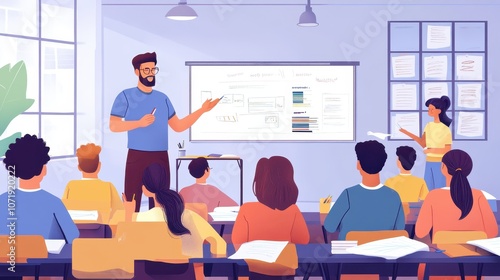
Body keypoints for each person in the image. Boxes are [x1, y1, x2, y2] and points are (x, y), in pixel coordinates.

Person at [110, 52, 220, 212]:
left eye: (153, 69)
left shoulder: (163, 98)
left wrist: (202, 110)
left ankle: (161, 234)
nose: (150, 73)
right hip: (136, 155)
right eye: (146, 70)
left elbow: (179, 126)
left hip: (160, 156)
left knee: (161, 205)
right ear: (136, 72)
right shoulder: (125, 96)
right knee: (132, 201)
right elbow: (113, 126)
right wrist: (139, 123)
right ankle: (131, 232)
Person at [122, 163, 226, 280]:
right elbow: (220, 244)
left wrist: (128, 214)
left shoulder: (138, 219)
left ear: (145, 189)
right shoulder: (191, 216)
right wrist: (204, 261)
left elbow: (126, 252)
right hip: (188, 276)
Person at [232, 156, 309, 279]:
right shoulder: (293, 210)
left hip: (256, 268)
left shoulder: (247, 209)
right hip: (286, 269)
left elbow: (237, 241)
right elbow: (303, 240)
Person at [0, 134, 79, 243]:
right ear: (43, 170)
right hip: (46, 259)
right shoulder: (54, 203)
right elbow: (73, 236)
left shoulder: (2, 201)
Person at [324, 140, 405, 240]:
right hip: (383, 253)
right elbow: (400, 230)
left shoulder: (348, 195)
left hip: (350, 253)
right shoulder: (394, 196)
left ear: (358, 165)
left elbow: (330, 226)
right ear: (382, 165)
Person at [415, 149, 497, 240]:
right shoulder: (479, 195)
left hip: (444, 252)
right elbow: (492, 232)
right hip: (477, 252)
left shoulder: (433, 196)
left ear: (443, 167)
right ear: (468, 170)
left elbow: (420, 232)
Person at [399, 95, 452, 190]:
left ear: (439, 111)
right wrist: (406, 132)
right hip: (429, 162)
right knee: (428, 189)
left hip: (440, 164)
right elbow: (423, 143)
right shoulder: (428, 125)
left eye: (432, 109)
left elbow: (447, 149)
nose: (429, 111)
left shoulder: (445, 129)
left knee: (440, 189)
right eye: (428, 109)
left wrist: (431, 150)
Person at [62, 143, 124, 222]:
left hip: (76, 232)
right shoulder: (108, 187)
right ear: (99, 166)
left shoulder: (71, 186)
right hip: (102, 232)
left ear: (79, 167)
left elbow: (63, 213)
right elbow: (120, 214)